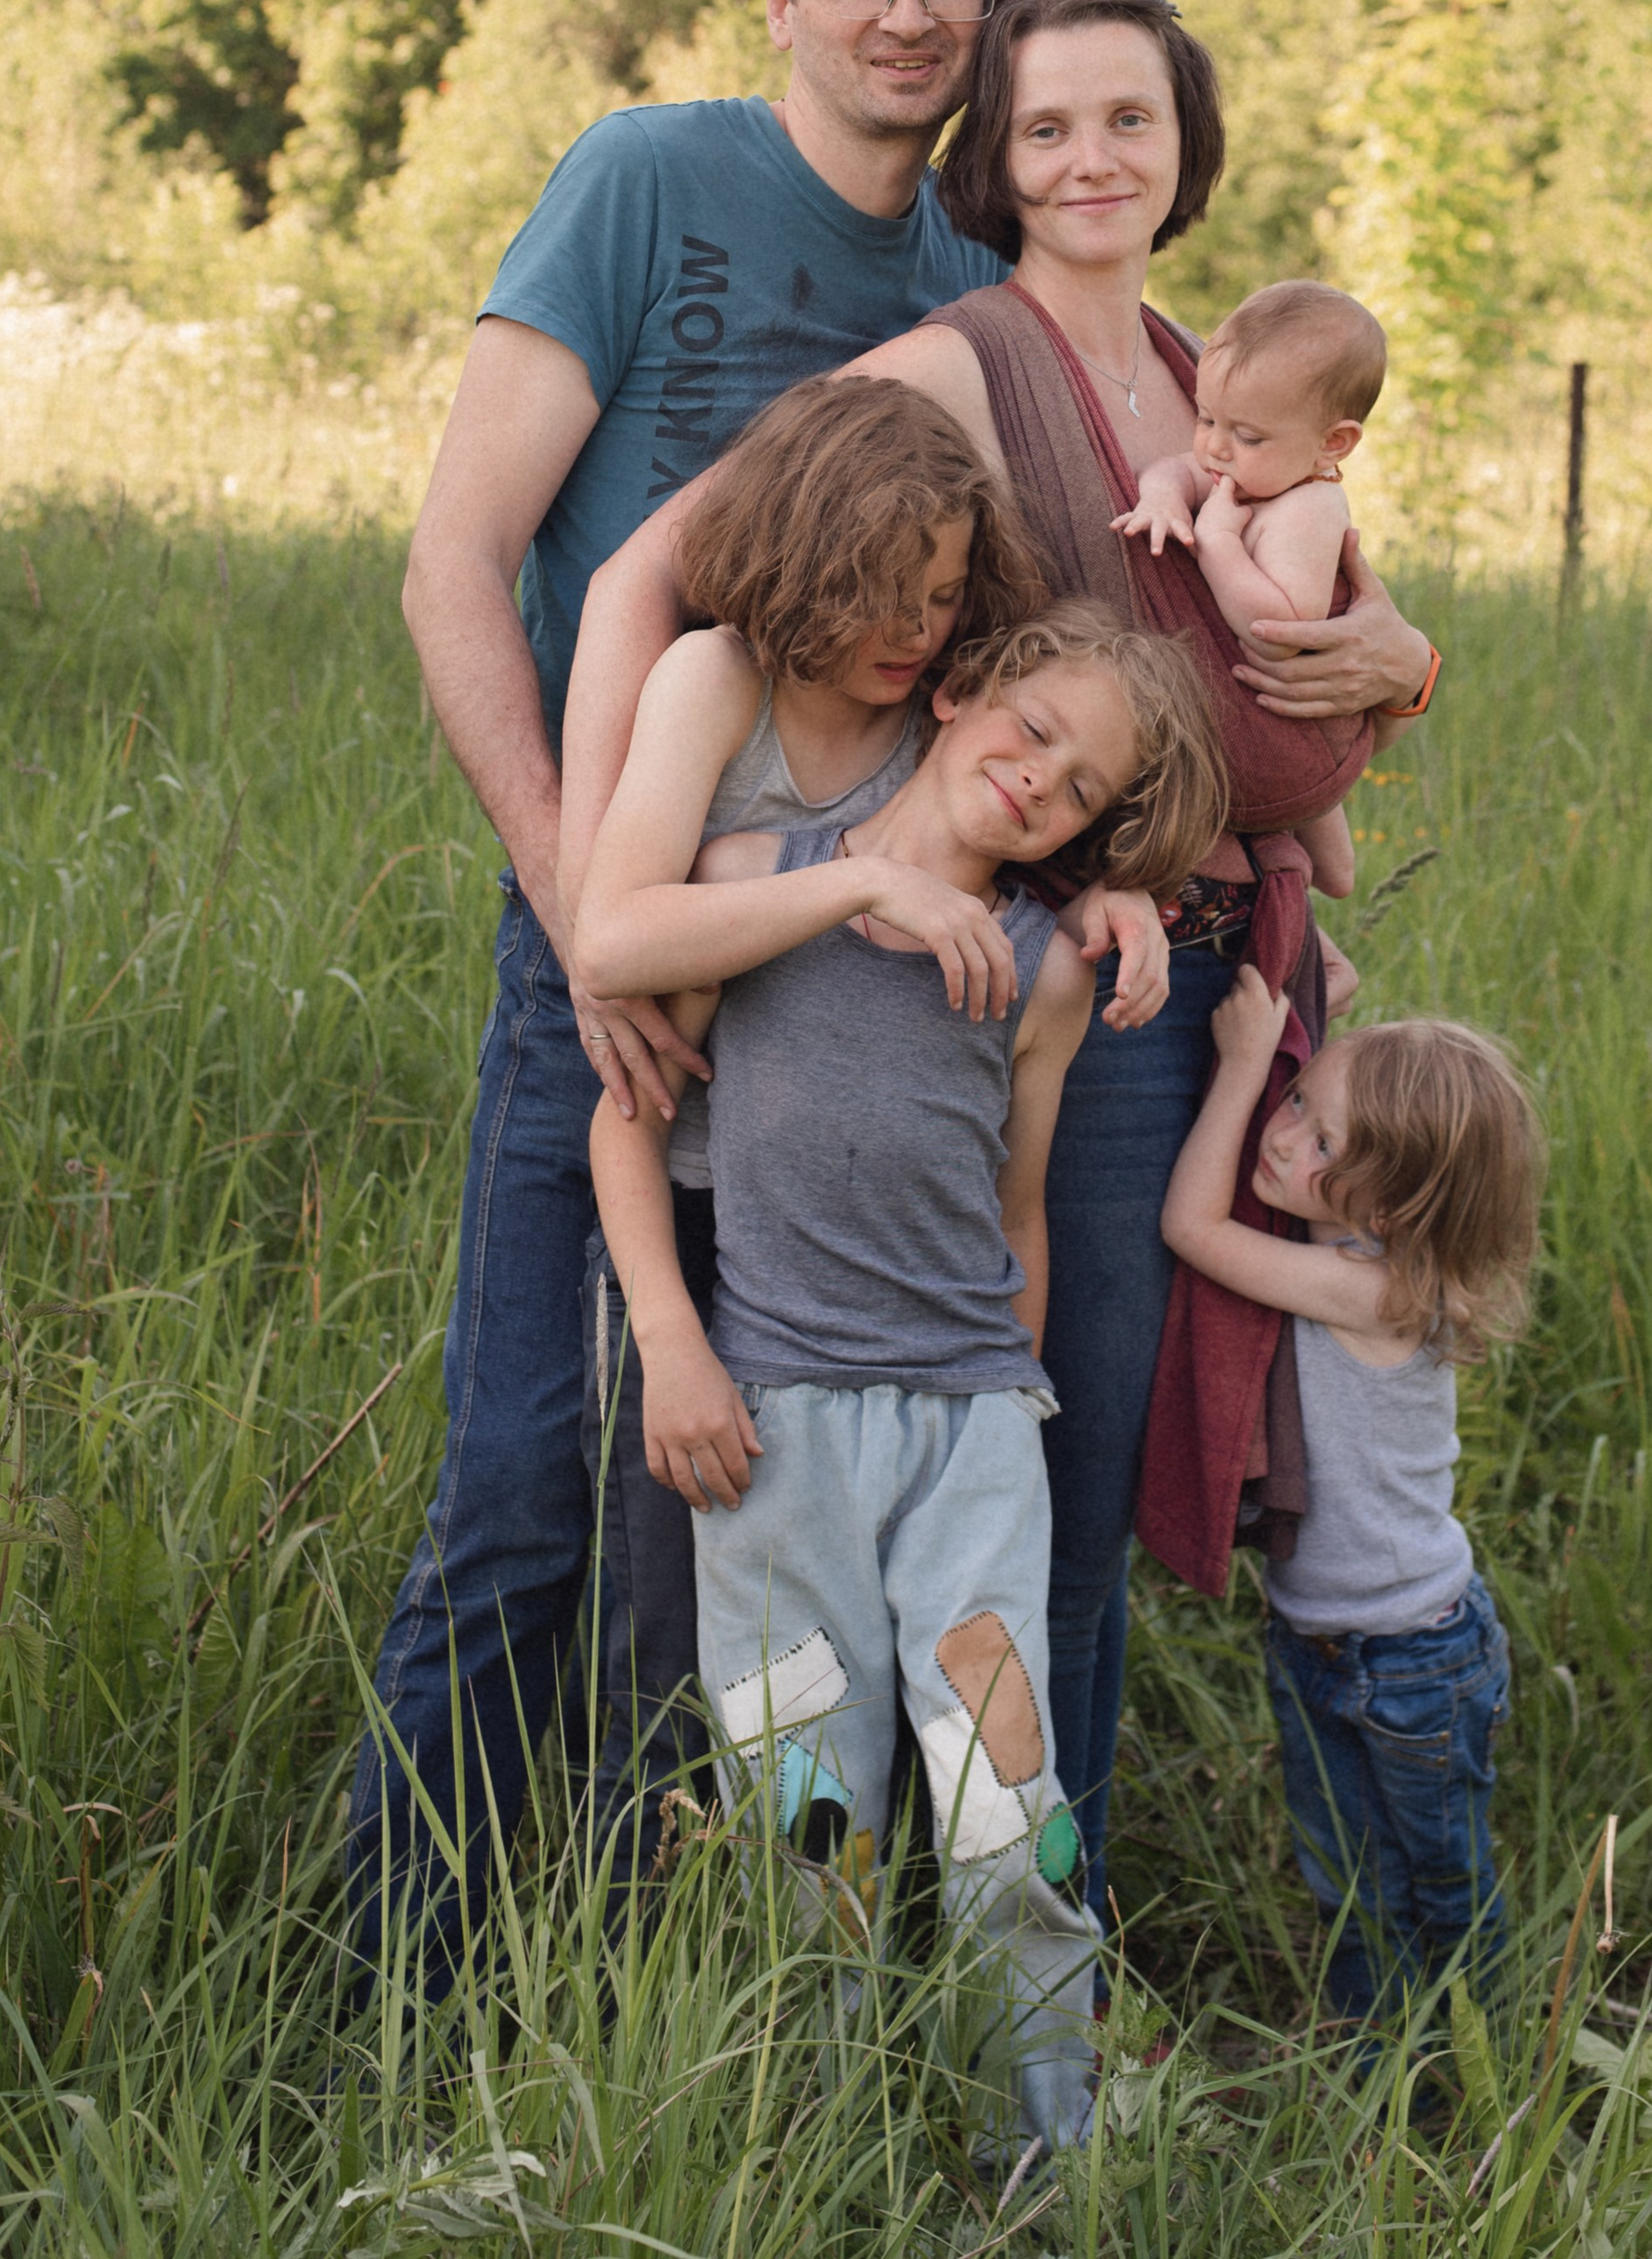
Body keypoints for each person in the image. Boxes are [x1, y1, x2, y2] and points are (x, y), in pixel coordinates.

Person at [351, 0, 1177, 1980]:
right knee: (526, 1489)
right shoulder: (644, 176)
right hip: (621, 936)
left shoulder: (977, 293)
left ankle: (670, 1987)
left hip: (858, 1018)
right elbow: (470, 560)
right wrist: (575, 902)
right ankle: (380, 1984)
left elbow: (1043, 667)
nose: (909, 14)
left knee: (704, 1525)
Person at [565, 0, 1441, 1930]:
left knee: (1081, 1501)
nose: (1088, 158)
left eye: (1126, 118)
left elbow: (1301, 680)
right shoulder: (963, 359)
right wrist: (593, 924)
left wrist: (1413, 660)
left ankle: (1048, 1950)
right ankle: (865, 1967)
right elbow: (690, 568)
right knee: (1010, 1505)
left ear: (1183, 142)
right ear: (995, 158)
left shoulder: (1225, 374)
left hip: (1211, 971)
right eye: (1043, 126)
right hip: (1066, 988)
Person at [579, 602, 1229, 2152]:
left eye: (1080, 792)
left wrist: (1010, 1401)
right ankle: (811, 2148)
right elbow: (626, 1117)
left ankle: (1048, 2155)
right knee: (807, 1825)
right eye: (1033, 732)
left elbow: (1017, 1216)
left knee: (1008, 1814)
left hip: (969, 1446)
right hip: (771, 1436)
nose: (1040, 784)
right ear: (957, 693)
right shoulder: (751, 888)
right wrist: (673, 1344)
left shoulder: (1040, 967)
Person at [560, 366, 1065, 1809]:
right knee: (683, 1614)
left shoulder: (943, 715)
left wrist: (1124, 905)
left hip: (871, 1241)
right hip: (696, 1197)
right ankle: (691, 1961)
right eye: (881, 593)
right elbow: (613, 929)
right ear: (798, 562)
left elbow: (1031, 834)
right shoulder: (716, 677)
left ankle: (912, 1957)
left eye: (945, 595)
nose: (913, 632)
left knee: (899, 1659)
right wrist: (849, 875)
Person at [1160, 974, 1542, 2044]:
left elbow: (1190, 1225)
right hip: (1321, 1638)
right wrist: (1305, 997)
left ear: (1389, 1208)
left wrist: (1245, 1067)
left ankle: (1486, 2072)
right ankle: (1379, 2073)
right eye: (1294, 1106)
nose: (1285, 1143)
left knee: (1441, 1884)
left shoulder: (1374, 1288)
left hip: (1411, 1658)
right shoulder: (1347, 1243)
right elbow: (1366, 1106)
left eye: (1321, 1141)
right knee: (1347, 1879)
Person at [1113, 278, 1393, 907]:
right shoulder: (1234, 467)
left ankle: (1335, 876)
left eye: (1248, 435)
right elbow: (1174, 469)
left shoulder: (1310, 507)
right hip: (1247, 703)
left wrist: (1218, 541)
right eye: (1206, 417)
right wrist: (1160, 497)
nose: (1214, 445)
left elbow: (1279, 624)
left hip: (1302, 713)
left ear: (1333, 443)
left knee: (1317, 805)